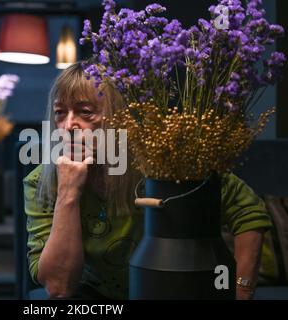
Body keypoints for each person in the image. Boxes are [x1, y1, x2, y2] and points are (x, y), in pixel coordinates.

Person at [23, 62, 272, 300]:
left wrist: (242, 290)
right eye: (59, 113)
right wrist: (68, 194)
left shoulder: (162, 163)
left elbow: (248, 211)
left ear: (118, 116)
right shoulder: (40, 182)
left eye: (85, 112)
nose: (68, 126)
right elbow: (58, 287)